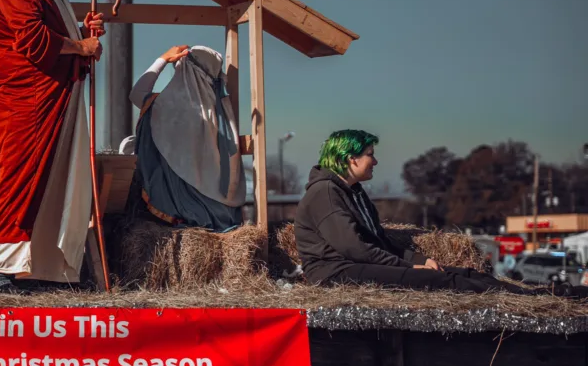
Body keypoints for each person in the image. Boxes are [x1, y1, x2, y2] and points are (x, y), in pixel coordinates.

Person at [294, 130, 588, 297]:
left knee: (463, 274)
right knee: (441, 283)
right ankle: (546, 296)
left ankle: (548, 293)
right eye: (370, 154)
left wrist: (419, 260)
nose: (376, 160)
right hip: (335, 272)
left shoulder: (354, 193)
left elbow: (379, 241)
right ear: (350, 159)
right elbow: (355, 248)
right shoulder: (325, 192)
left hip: (355, 264)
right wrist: (407, 268)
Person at [0, 0, 105, 292]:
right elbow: (33, 40)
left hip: (49, 99)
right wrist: (80, 45)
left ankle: (38, 271)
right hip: (27, 101)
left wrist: (81, 36)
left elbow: (49, 40)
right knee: (21, 180)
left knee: (49, 182)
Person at [125, 44, 248, 232]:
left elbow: (136, 94)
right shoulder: (221, 111)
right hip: (221, 213)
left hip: (176, 211)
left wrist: (163, 58)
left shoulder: (165, 106)